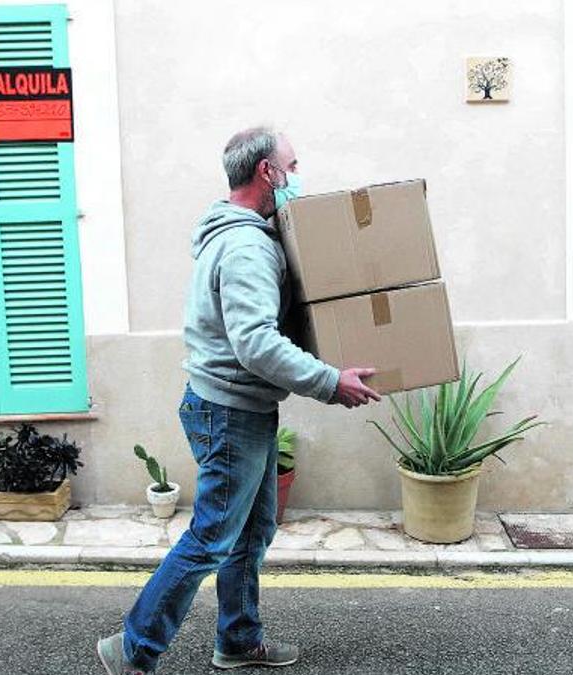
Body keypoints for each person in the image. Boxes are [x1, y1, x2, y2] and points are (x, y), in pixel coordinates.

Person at [97, 127, 381, 674]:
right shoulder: (247, 245)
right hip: (230, 411)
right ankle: (133, 650)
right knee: (211, 538)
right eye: (292, 167)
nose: (298, 178)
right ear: (266, 173)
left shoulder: (242, 236)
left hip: (237, 407)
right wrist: (329, 381)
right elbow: (255, 343)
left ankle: (237, 640)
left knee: (251, 532)